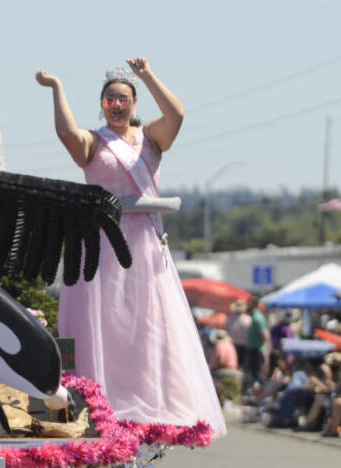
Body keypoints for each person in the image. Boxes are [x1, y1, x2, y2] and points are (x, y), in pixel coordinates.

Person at [36, 58, 225, 436]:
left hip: (144, 245)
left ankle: (154, 400)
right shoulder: (94, 141)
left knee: (149, 325)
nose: (117, 105)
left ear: (134, 104)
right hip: (103, 243)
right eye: (110, 99)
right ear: (102, 104)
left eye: (124, 99)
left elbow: (177, 114)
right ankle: (100, 401)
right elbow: (68, 136)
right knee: (104, 323)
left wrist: (146, 76)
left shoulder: (151, 138)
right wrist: (57, 88)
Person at [224, 299, 251, 368]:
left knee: (234, 365)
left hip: (232, 345)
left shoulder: (229, 319)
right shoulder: (248, 319)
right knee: (243, 366)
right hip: (245, 346)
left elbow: (225, 331)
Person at [246, 297, 268, 382]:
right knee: (254, 372)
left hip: (256, 349)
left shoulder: (257, 317)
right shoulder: (254, 316)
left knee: (256, 373)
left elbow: (264, 335)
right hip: (254, 348)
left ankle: (257, 391)